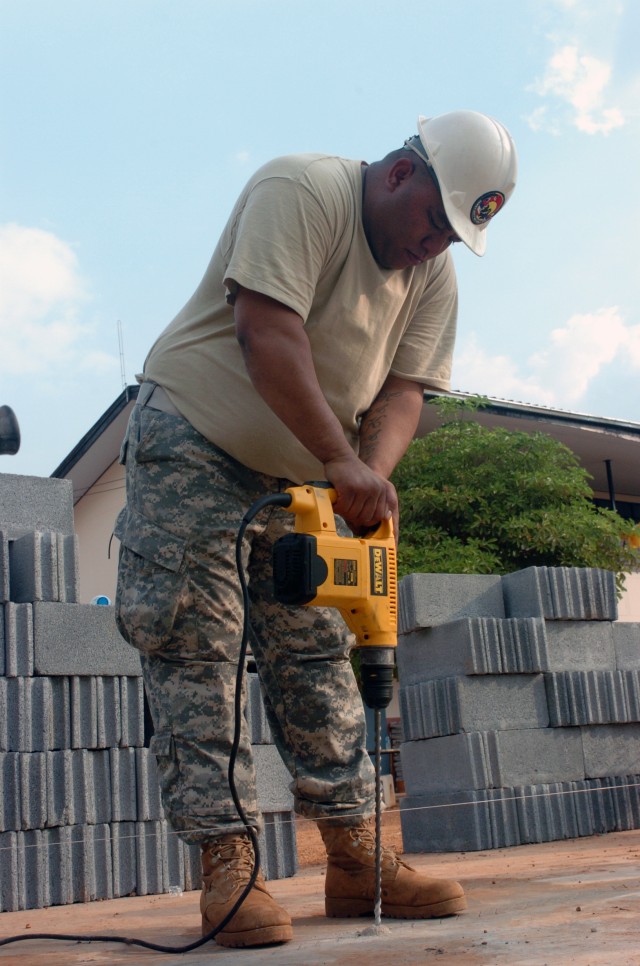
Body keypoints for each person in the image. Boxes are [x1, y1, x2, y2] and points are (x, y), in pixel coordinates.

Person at [114, 109, 517, 949]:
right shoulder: (303, 189)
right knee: (199, 646)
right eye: (433, 221)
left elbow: (406, 390)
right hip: (195, 439)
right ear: (402, 174)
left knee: (314, 653)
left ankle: (355, 855)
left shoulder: (431, 276)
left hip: (303, 478)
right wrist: (342, 460)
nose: (435, 244)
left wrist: (370, 477)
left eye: (453, 235)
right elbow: (266, 332)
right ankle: (230, 867)